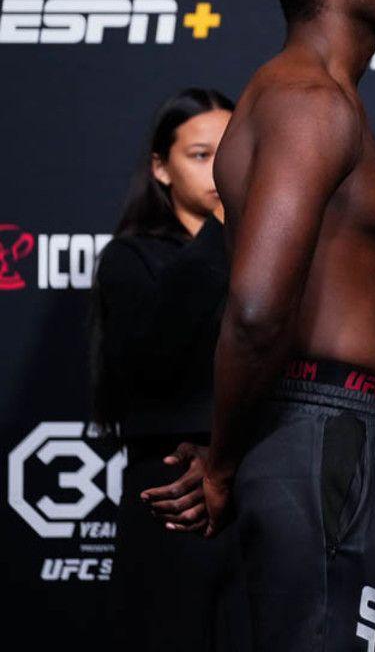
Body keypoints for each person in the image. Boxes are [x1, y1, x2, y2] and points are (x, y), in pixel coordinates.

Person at [201, 0, 375, 652]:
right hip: (329, 439)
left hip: (342, 439)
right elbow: (258, 309)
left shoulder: (318, 96)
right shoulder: (308, 102)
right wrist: (222, 461)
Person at [92, 87, 244, 651]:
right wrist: (224, 231)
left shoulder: (276, 259)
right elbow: (152, 357)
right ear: (161, 167)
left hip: (259, 482)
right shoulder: (132, 259)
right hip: (173, 484)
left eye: (229, 152)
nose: (219, 169)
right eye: (201, 155)